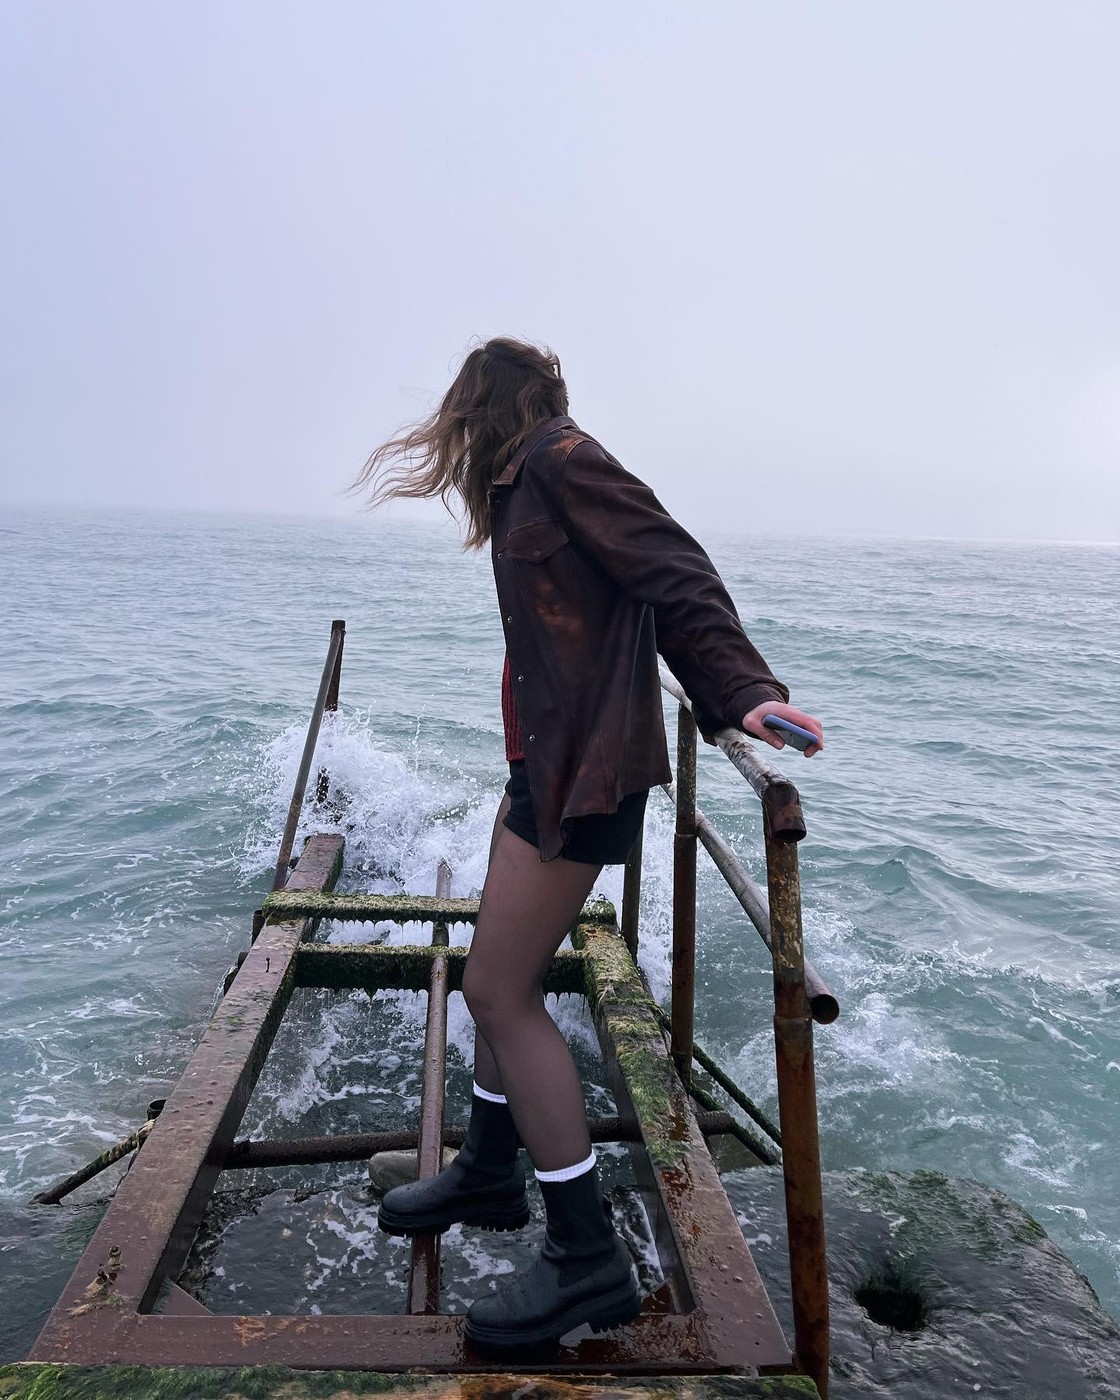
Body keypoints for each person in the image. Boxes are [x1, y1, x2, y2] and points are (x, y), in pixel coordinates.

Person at [352, 337, 824, 1353]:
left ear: (483, 406)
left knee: (496, 990)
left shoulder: (565, 461)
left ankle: (584, 1254)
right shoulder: (526, 481)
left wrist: (742, 691)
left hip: (584, 779)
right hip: (547, 767)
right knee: (495, 972)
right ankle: (490, 1169)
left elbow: (675, 569)